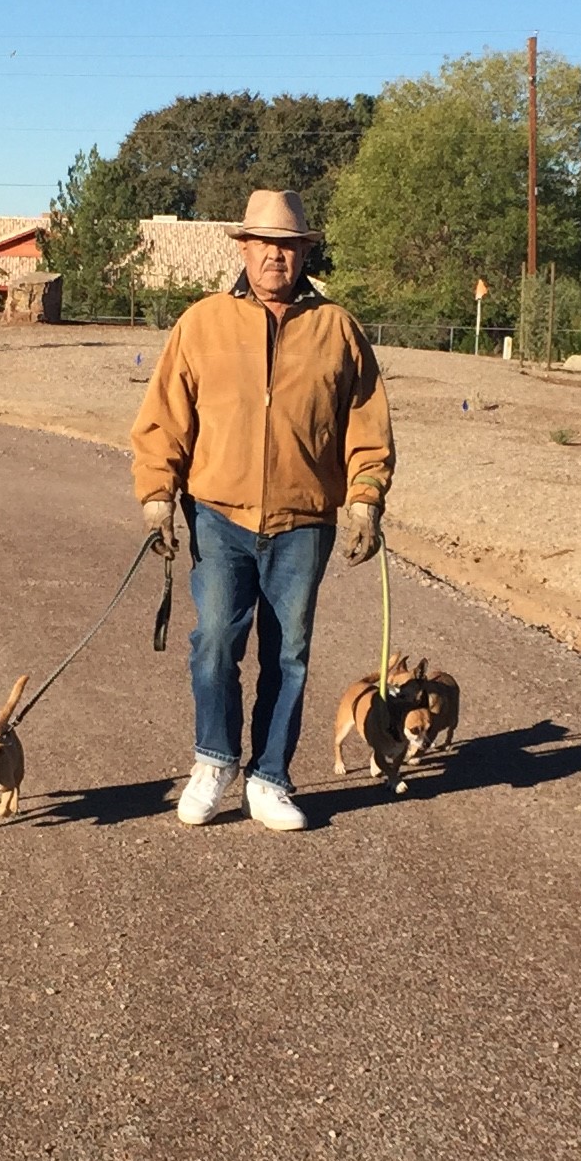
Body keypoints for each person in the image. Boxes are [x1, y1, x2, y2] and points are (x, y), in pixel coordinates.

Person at [128, 188, 392, 833]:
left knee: (289, 652)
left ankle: (270, 777)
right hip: (219, 511)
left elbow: (366, 422)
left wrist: (364, 500)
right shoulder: (201, 323)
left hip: (304, 520)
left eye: (288, 246)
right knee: (215, 639)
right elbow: (165, 415)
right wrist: (157, 493)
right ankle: (214, 760)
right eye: (264, 245)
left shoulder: (338, 329)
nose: (276, 257)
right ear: (243, 249)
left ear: (303, 253)